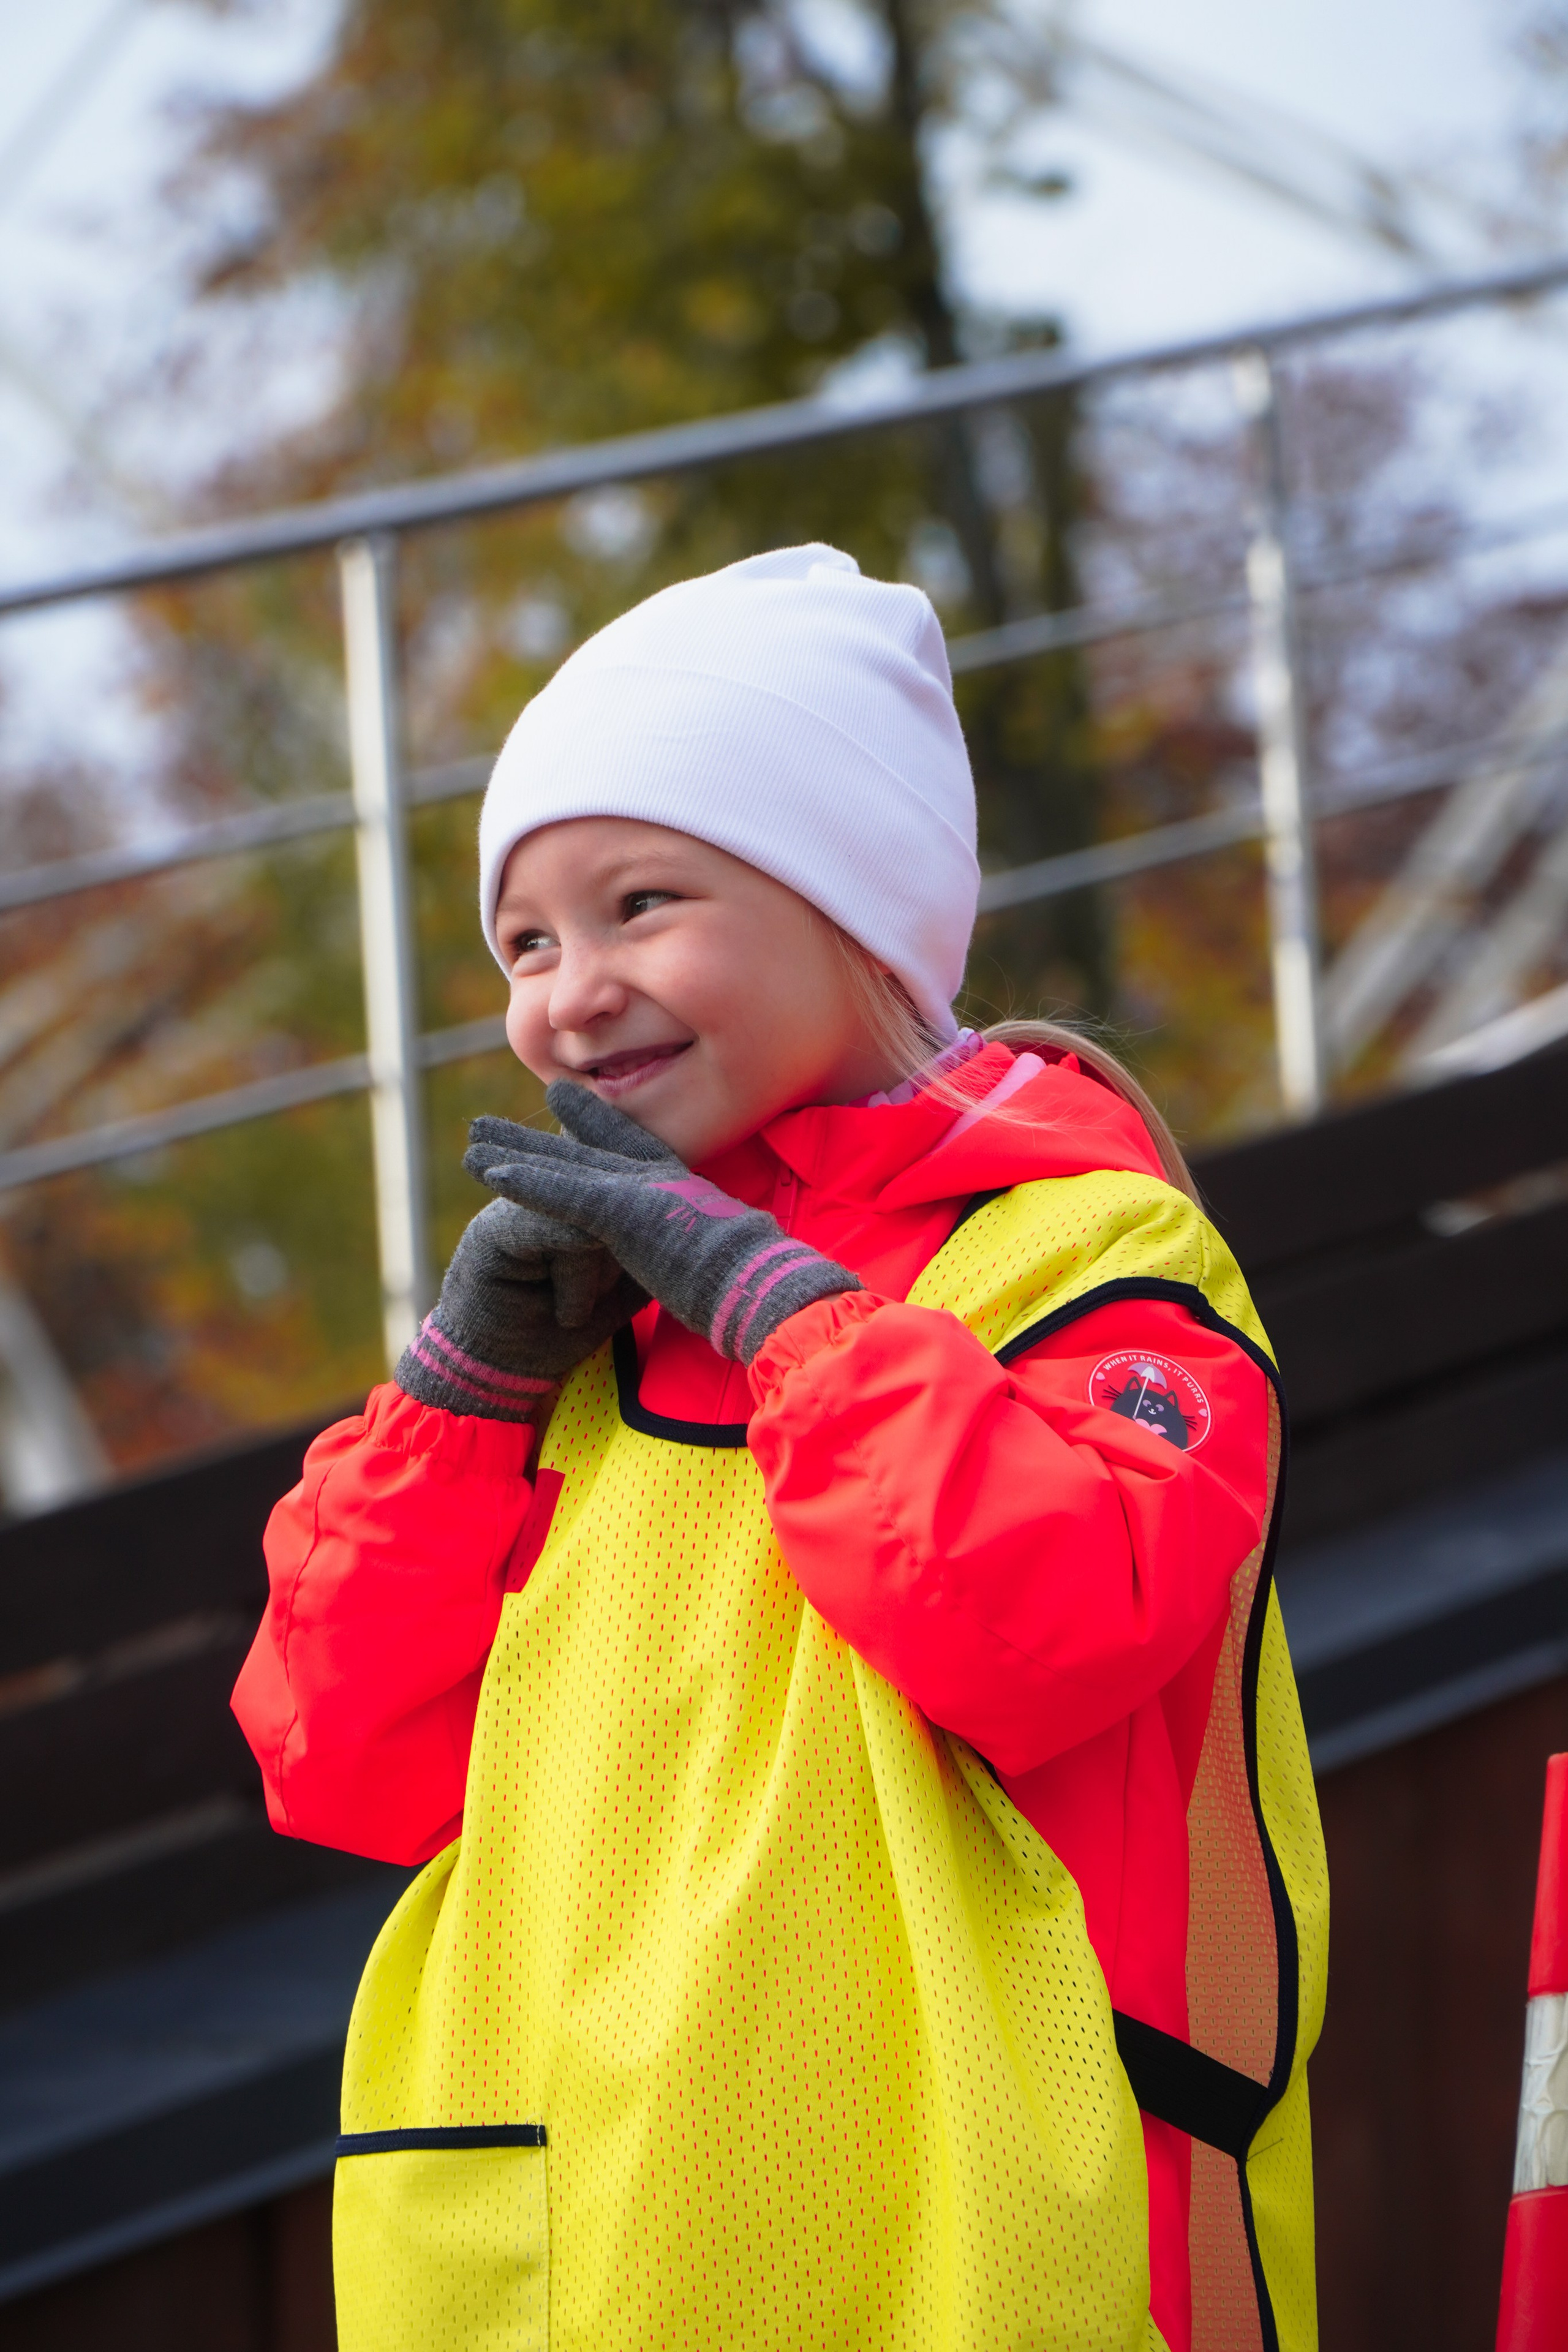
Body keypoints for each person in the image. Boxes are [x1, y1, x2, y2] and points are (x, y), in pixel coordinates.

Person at [233, 545, 1326, 2352]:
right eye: (525, 941)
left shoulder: (1088, 1256)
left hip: (974, 2254)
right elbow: (332, 1755)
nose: (570, 991)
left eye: (642, 902)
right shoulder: (576, 1320)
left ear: (858, 911)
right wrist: (460, 1391)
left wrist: (777, 1307)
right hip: (585, 2258)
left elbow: (1049, 1627)